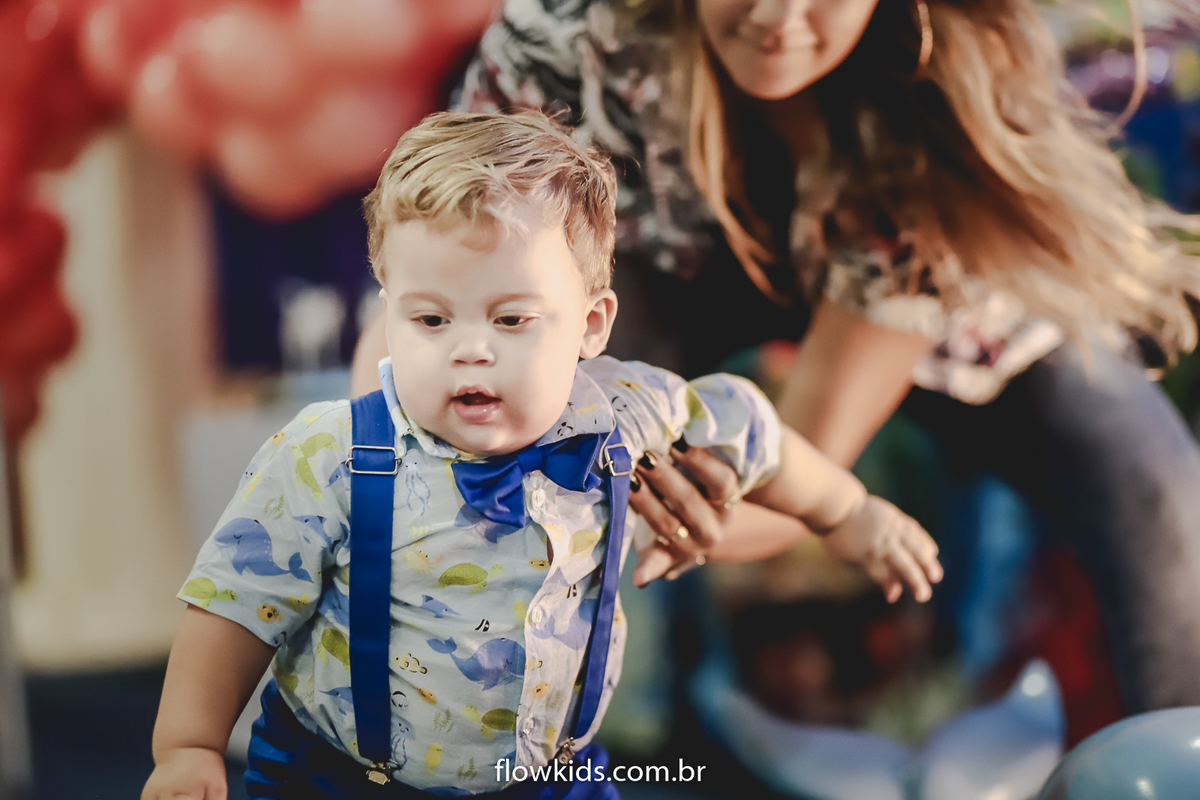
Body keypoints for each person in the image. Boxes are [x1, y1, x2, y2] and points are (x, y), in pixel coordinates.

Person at [346, 0, 1200, 715]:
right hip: (653, 264)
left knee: (1150, 480)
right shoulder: (575, 33)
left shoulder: (939, 115)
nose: (777, 15)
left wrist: (676, 518)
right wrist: (386, 475)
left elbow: (806, 459)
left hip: (924, 298)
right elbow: (434, 293)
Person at [143, 111, 942, 799]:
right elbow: (234, 603)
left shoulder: (627, 412)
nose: (470, 350)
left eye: (511, 320)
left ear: (591, 325)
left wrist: (850, 513)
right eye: (430, 320)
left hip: (550, 774)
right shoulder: (329, 454)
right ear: (387, 313)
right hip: (345, 775)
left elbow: (755, 434)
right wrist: (189, 743)